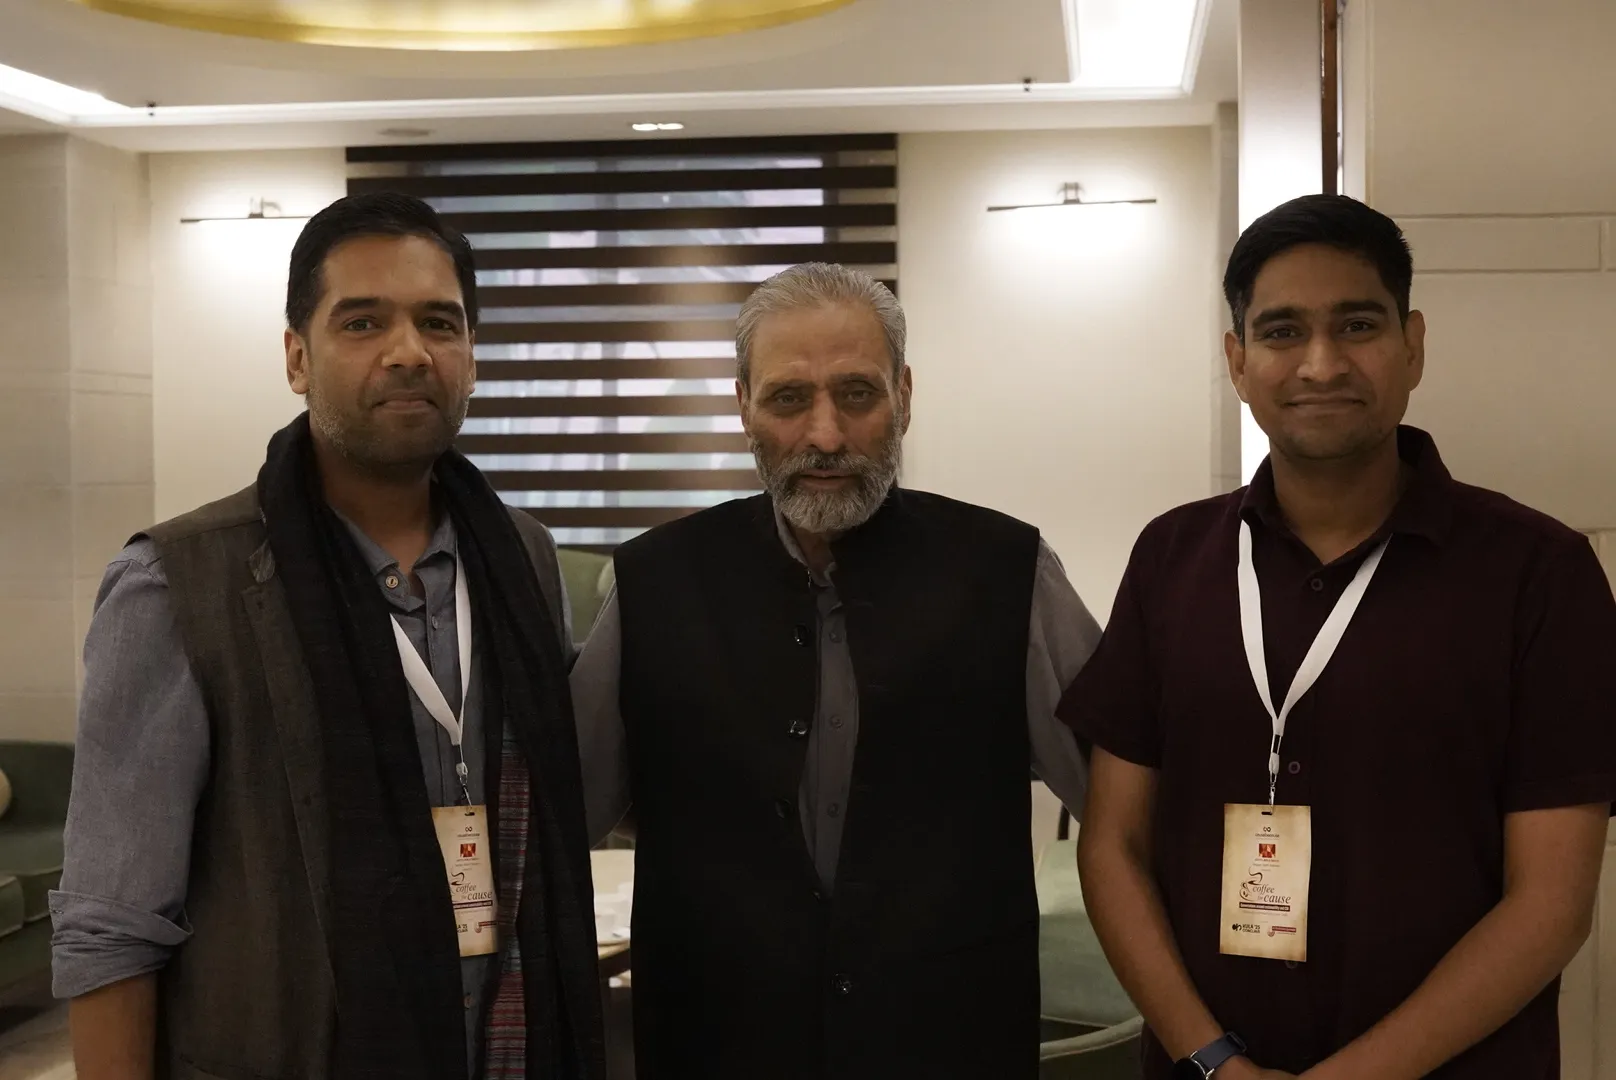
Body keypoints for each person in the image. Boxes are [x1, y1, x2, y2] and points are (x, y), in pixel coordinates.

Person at [50, 193, 606, 1080]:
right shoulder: (177, 585)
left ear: (471, 358)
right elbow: (111, 925)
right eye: (362, 322)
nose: (409, 351)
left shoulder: (524, 559)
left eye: (439, 322)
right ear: (297, 358)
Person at [1061, 194, 1616, 1079]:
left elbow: (1550, 904)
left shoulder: (1539, 574)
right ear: (1238, 362)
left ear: (1413, 346)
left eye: (1357, 325)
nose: (1321, 364)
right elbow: (1113, 846)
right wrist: (1212, 1059)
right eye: (1282, 332)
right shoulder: (1172, 558)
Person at [569, 262, 1101, 1078]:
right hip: (717, 1040)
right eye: (788, 399)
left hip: (948, 1039)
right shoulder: (652, 583)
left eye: (857, 394)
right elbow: (564, 812)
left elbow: (1128, 814)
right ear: (743, 404)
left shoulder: (1009, 572)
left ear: (905, 396)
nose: (824, 435)